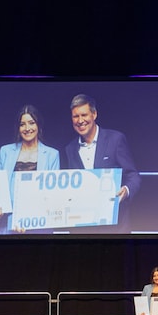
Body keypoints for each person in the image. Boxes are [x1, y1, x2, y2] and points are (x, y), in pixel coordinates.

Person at [62, 94, 141, 230]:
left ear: (94, 114)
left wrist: (126, 190)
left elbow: (133, 175)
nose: (80, 120)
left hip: (115, 225)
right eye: (76, 116)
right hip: (83, 227)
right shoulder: (70, 149)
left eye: (84, 115)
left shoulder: (115, 139)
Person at [0, 104, 60, 234]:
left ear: (38, 125)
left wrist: (27, 219)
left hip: (37, 223)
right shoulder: (5, 151)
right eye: (22, 124)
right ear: (18, 128)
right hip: (4, 223)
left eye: (31, 123)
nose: (27, 128)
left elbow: (52, 196)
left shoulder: (52, 155)